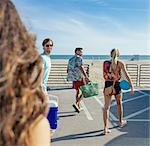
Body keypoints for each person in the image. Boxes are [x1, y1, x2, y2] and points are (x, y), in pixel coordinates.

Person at [0, 0, 50, 146]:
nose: (50, 47)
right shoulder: (30, 125)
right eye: (48, 45)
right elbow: (36, 77)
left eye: (51, 45)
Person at [103, 48, 134, 135]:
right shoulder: (120, 63)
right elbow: (127, 75)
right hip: (117, 85)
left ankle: (105, 128)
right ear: (119, 55)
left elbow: (104, 76)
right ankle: (120, 122)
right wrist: (132, 86)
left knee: (106, 107)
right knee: (119, 104)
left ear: (110, 54)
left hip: (108, 85)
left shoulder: (106, 63)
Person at [67, 47, 90, 113]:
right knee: (85, 91)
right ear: (77, 51)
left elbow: (68, 69)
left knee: (77, 91)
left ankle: (78, 106)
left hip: (74, 78)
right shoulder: (79, 58)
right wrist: (86, 76)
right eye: (81, 51)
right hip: (79, 77)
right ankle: (77, 103)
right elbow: (81, 67)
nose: (82, 53)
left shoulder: (71, 59)